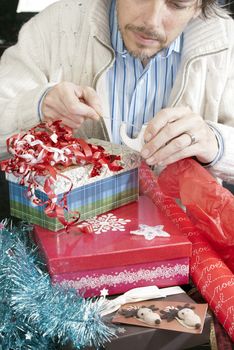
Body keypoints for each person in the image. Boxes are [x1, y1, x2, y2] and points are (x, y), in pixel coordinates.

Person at [0, 0, 234, 183]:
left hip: (186, 236)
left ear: (199, 6)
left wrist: (216, 144)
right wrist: (38, 106)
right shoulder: (54, 26)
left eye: (177, 4)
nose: (152, 22)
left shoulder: (227, 42)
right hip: (69, 231)